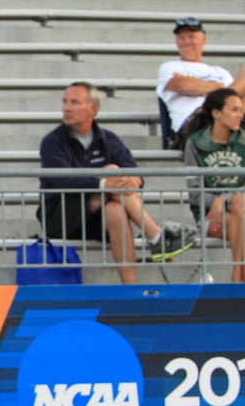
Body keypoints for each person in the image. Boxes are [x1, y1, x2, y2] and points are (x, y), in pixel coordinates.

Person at [39, 82, 197, 285]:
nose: (67, 108)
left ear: (93, 109)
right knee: (111, 172)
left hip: (100, 216)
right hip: (63, 216)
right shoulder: (52, 142)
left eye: (75, 103)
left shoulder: (108, 139)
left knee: (115, 208)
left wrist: (133, 180)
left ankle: (129, 287)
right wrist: (103, 182)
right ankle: (156, 235)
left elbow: (133, 172)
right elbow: (62, 180)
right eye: (65, 102)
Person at [181, 88, 245, 282]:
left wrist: (223, 198)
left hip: (240, 208)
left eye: (241, 110)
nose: (240, 115)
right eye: (234, 110)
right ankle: (239, 275)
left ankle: (237, 275)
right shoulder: (194, 143)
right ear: (216, 113)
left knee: (237, 203)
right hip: (209, 216)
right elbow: (194, 193)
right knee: (237, 215)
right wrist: (216, 201)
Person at [157, 17, 245, 149]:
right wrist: (220, 87)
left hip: (227, 116)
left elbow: (236, 99)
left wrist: (200, 86)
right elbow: (184, 86)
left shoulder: (220, 71)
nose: (186, 41)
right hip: (194, 120)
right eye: (181, 38)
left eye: (191, 36)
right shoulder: (169, 67)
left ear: (203, 40)